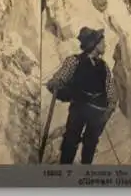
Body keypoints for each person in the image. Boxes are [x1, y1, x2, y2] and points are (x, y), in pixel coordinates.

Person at [46, 27, 118, 164]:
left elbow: (110, 89)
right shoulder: (74, 61)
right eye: (102, 42)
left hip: (97, 112)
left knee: (90, 144)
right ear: (94, 45)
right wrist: (55, 83)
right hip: (79, 108)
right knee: (70, 140)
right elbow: (60, 78)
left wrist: (110, 106)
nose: (105, 45)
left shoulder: (104, 67)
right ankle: (64, 171)